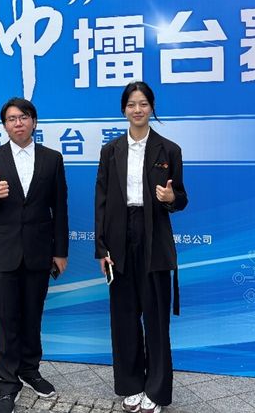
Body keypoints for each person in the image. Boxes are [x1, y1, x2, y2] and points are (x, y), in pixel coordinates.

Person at [94, 81, 188, 413]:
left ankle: (157, 391)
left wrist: (171, 198)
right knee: (124, 317)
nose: (138, 109)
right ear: (124, 109)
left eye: (143, 103)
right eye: (132, 104)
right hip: (119, 236)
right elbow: (101, 201)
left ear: (152, 107)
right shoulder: (111, 151)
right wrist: (101, 248)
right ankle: (131, 385)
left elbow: (181, 198)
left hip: (154, 237)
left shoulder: (169, 150)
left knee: (156, 318)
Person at [0, 97, 69, 413]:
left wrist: (60, 251)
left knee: (32, 315)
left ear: (34, 121)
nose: (18, 123)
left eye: (24, 117)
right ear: (5, 125)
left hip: (39, 252)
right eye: (12, 118)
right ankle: (7, 383)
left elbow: (60, 207)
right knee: (4, 319)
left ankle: (30, 370)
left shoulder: (52, 159)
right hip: (2, 253)